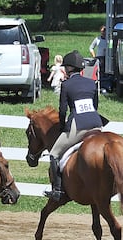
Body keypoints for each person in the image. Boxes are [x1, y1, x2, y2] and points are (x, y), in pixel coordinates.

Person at [45, 50, 103, 201]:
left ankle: (57, 190)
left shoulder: (66, 84)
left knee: (54, 154)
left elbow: (63, 110)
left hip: (78, 125)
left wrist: (63, 127)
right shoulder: (92, 83)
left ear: (70, 68)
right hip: (97, 123)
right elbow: (95, 106)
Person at [89, 25, 110, 92]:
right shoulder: (97, 39)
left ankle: (106, 86)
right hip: (99, 58)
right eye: (102, 32)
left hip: (107, 58)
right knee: (99, 72)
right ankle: (99, 85)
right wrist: (94, 56)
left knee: (106, 72)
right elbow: (91, 47)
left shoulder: (109, 40)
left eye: (104, 31)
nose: (103, 33)